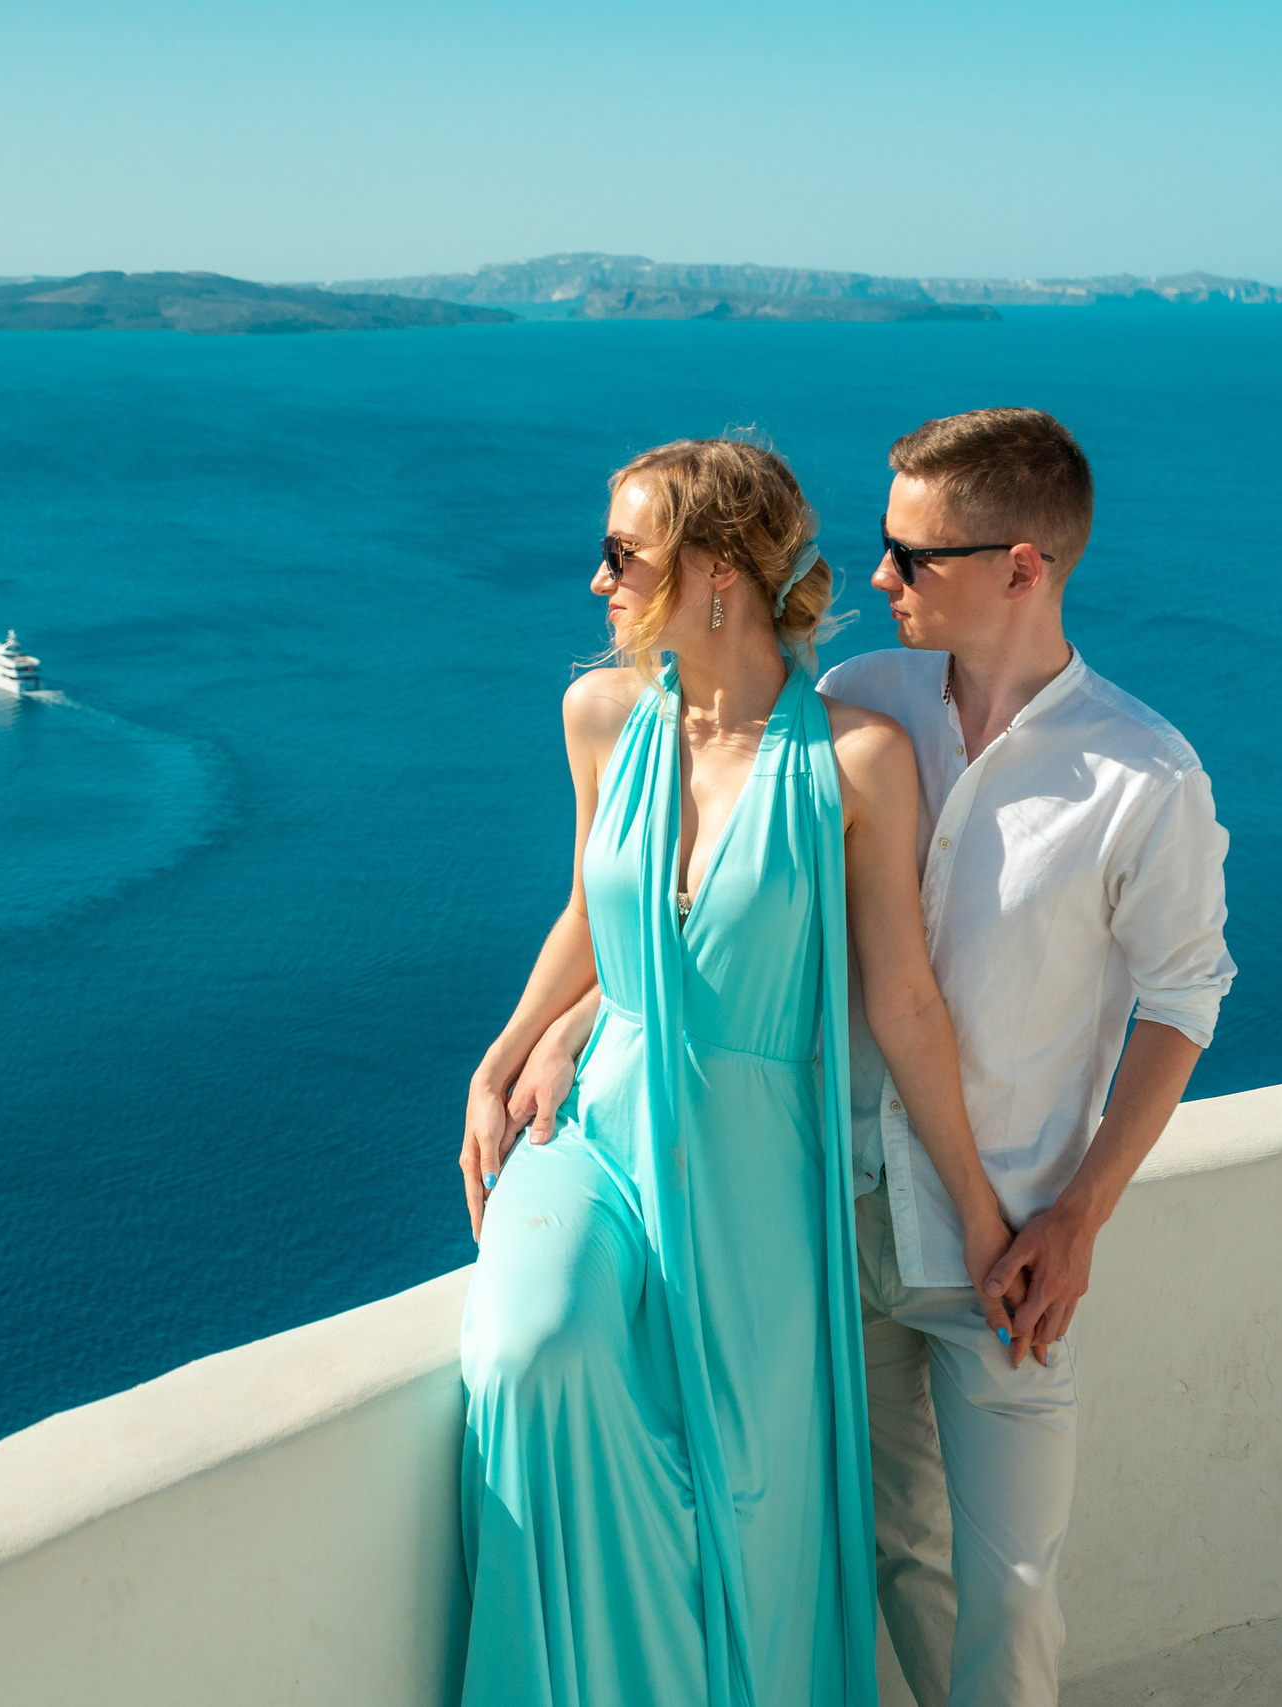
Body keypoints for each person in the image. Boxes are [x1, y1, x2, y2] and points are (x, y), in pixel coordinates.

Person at [455, 437, 1015, 1707]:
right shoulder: (601, 717)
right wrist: (499, 1061)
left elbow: (903, 1001)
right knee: (527, 1354)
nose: (597, 579)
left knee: (753, 1508)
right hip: (595, 1129)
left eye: (621, 554)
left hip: (761, 1161)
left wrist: (979, 1212)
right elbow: (591, 914)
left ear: (715, 569)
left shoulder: (856, 763)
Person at [824, 408, 1236, 1706]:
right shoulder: (859, 700)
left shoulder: (1142, 774)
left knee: (1008, 1585)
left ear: (1021, 567)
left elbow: (1183, 999)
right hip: (832, 1217)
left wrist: (1080, 1213)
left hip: (1000, 1249)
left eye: (912, 555)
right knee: (896, 1553)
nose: (880, 576)